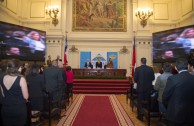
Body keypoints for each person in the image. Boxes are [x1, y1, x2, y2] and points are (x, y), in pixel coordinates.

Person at [162, 58, 194, 126]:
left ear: (176, 68)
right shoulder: (192, 78)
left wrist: (170, 107)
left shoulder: (172, 79)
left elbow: (165, 97)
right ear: (188, 66)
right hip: (191, 115)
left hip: (175, 115)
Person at [0, 59, 29, 126]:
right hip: (19, 109)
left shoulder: (2, 78)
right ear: (18, 68)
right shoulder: (21, 79)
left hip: (5, 109)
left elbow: (3, 95)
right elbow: (26, 97)